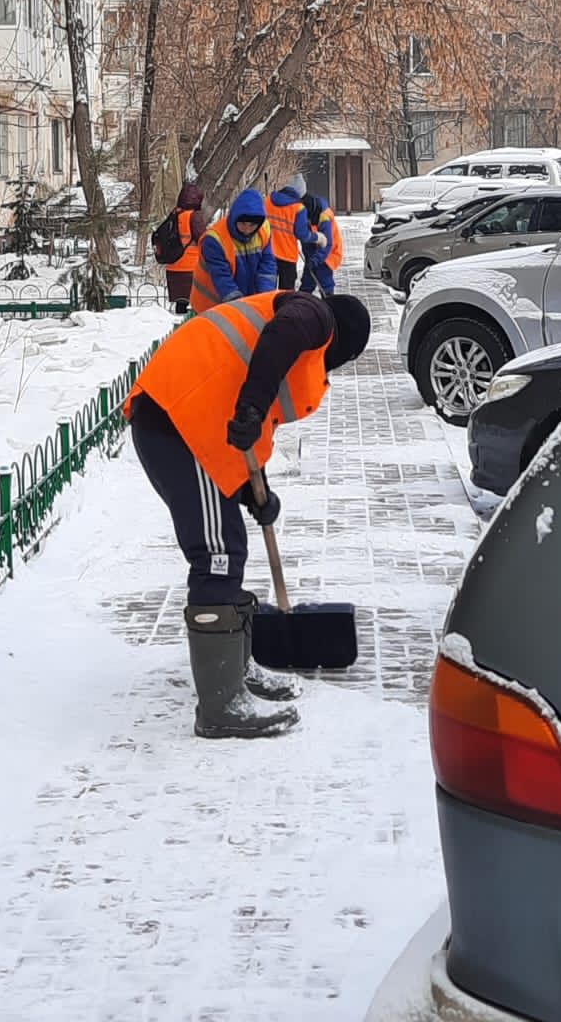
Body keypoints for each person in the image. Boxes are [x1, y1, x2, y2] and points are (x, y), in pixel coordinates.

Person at [126, 288, 372, 738]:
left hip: (190, 421)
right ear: (342, 345)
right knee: (216, 552)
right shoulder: (314, 316)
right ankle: (221, 706)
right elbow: (282, 336)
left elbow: (237, 416)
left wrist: (252, 492)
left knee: (229, 543)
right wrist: (253, 406)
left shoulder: (285, 341)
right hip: (175, 421)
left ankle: (235, 672)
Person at [188, 189, 278, 312]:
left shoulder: (263, 231)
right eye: (243, 224)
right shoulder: (214, 240)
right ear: (235, 218)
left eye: (252, 225)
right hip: (210, 305)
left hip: (245, 300)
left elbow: (267, 266)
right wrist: (240, 309)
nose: (247, 230)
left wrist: (264, 300)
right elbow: (222, 279)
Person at [266, 173, 324, 290]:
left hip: (267, 254)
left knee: (267, 291)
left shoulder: (268, 201)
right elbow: (302, 234)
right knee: (286, 294)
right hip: (287, 256)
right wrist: (318, 237)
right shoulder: (298, 208)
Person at [164, 181, 206, 314]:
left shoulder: (174, 214)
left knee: (181, 304)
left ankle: (180, 326)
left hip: (173, 265)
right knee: (196, 303)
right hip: (191, 267)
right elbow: (203, 238)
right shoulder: (193, 216)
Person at [300, 194, 343, 295]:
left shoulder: (324, 217)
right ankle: (302, 305)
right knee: (307, 283)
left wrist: (315, 260)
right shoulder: (305, 213)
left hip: (328, 254)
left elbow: (327, 244)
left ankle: (329, 305)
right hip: (314, 251)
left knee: (324, 282)